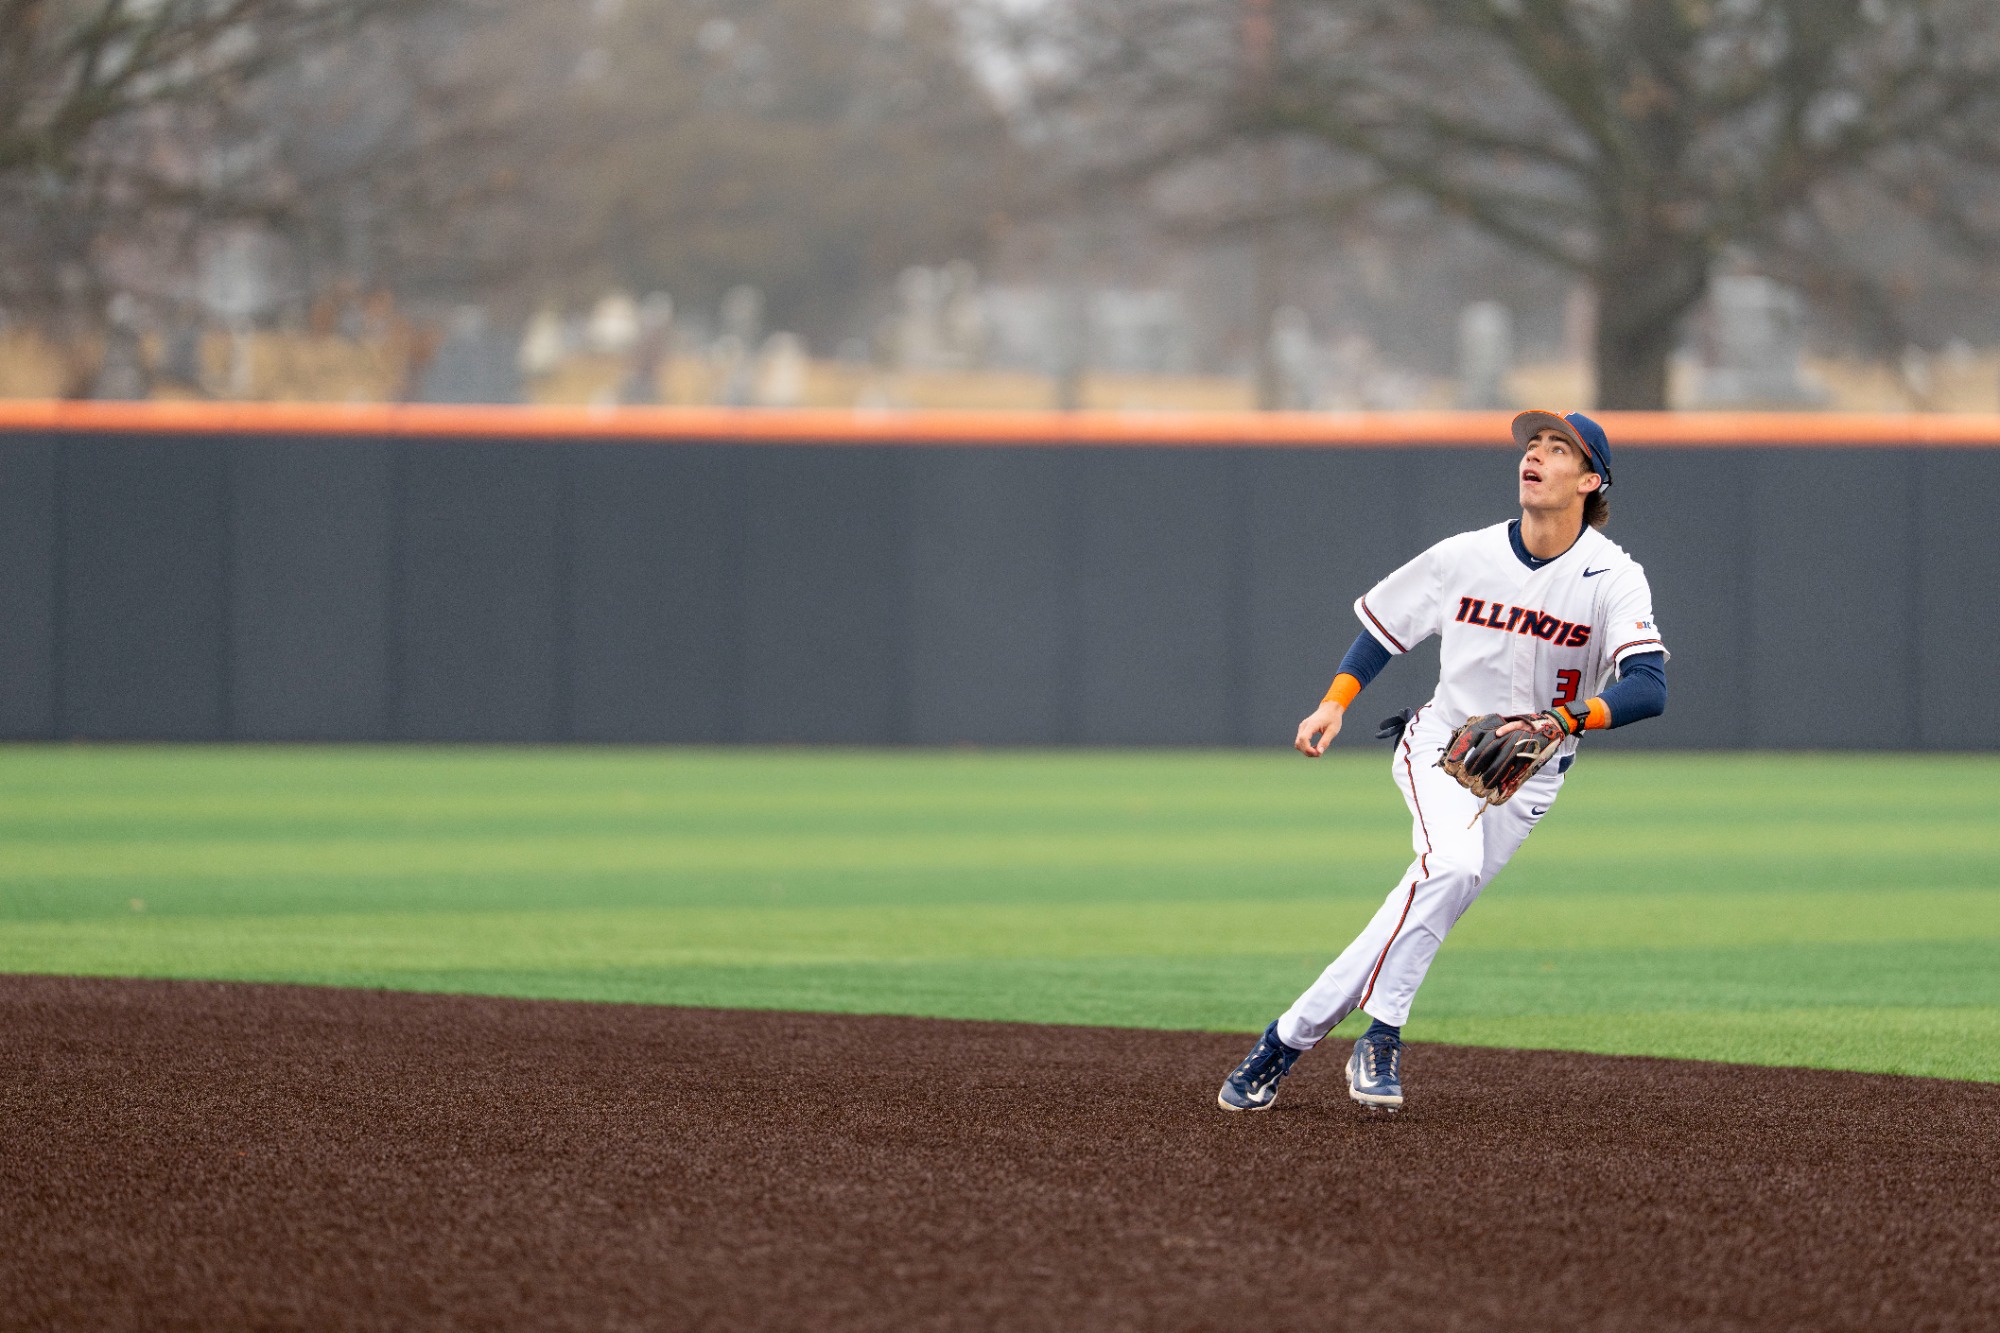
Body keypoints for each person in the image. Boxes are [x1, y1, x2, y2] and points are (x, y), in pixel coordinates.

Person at [1217, 410, 1669, 1113]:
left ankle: (1282, 1041)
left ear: (1590, 479)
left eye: (1558, 449)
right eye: (1532, 445)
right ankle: (1382, 1036)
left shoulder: (1611, 576)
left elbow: (1648, 686)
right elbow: (1382, 631)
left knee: (1427, 896)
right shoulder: (1466, 555)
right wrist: (1335, 701)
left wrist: (1559, 720)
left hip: (1527, 777)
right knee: (1450, 868)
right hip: (1444, 749)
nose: (1536, 455)